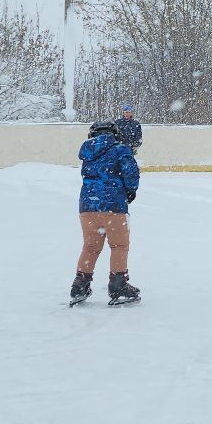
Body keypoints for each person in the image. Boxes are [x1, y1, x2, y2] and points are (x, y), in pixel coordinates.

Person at [71, 119, 142, 306]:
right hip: (113, 205)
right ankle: (118, 284)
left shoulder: (87, 153)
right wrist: (130, 191)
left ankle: (80, 283)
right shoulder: (120, 149)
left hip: (87, 207)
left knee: (90, 246)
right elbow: (131, 173)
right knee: (119, 245)